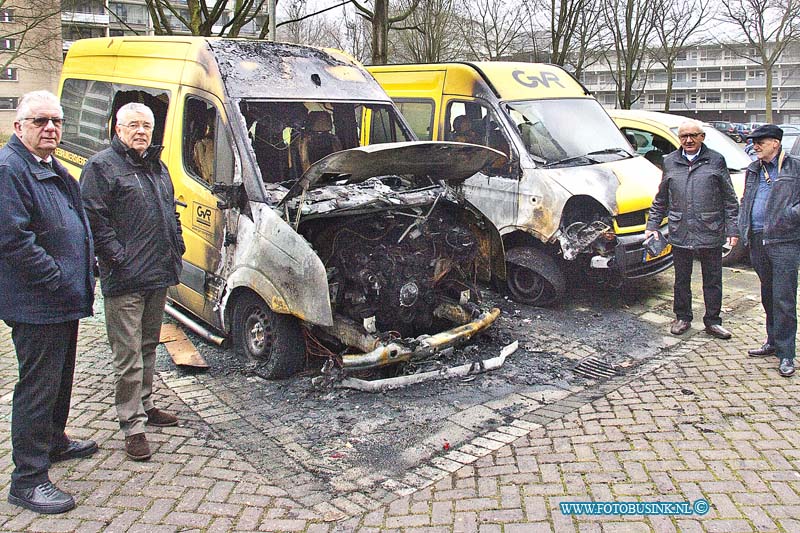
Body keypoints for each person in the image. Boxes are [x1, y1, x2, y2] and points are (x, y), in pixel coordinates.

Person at [0, 90, 97, 514]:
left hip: (62, 298)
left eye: (56, 121)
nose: (50, 129)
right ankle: (27, 479)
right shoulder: (9, 170)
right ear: (18, 127)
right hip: (38, 302)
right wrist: (57, 278)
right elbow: (13, 240)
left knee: (60, 379)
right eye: (40, 121)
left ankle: (54, 441)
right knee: (37, 388)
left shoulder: (47, 165)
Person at [80, 102, 186, 461]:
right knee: (127, 355)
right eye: (133, 125)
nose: (141, 132)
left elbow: (171, 208)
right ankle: (132, 425)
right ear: (117, 128)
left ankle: (146, 404)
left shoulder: (157, 166)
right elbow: (94, 220)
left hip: (157, 272)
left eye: (146, 126)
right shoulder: (101, 167)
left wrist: (178, 242)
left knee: (149, 345)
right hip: (124, 278)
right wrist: (118, 259)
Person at [645, 119, 740, 339]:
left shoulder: (716, 160)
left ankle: (713, 322)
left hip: (710, 230)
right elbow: (661, 199)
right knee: (681, 279)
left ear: (702, 137)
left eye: (693, 136)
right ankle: (682, 317)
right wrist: (652, 226)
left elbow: (729, 199)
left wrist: (733, 229)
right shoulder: (669, 161)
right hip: (680, 231)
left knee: (713, 279)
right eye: (684, 136)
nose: (688, 140)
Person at [739, 124, 799, 377]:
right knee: (767, 295)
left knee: (784, 298)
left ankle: (787, 354)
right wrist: (741, 226)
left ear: (775, 143)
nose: (755, 146)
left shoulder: (794, 167)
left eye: (760, 142)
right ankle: (773, 341)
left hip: (784, 241)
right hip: (757, 239)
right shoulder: (754, 169)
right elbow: (746, 200)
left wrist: (789, 216)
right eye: (754, 142)